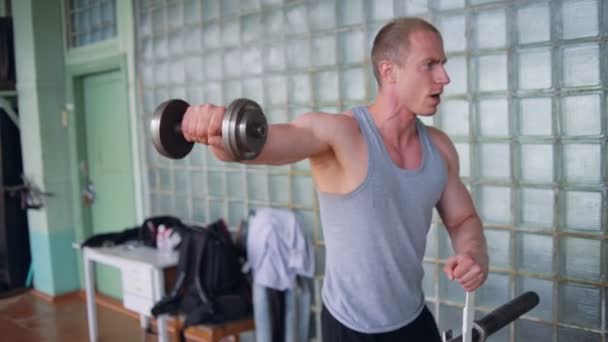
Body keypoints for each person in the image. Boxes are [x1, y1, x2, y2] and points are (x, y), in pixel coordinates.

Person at [181, 16, 488, 342]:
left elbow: (463, 220)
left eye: (443, 64)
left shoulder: (439, 148)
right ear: (389, 71)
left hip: (412, 319)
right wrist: (213, 130)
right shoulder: (341, 133)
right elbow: (256, 147)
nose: (445, 77)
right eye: (429, 65)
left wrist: (473, 254)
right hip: (348, 326)